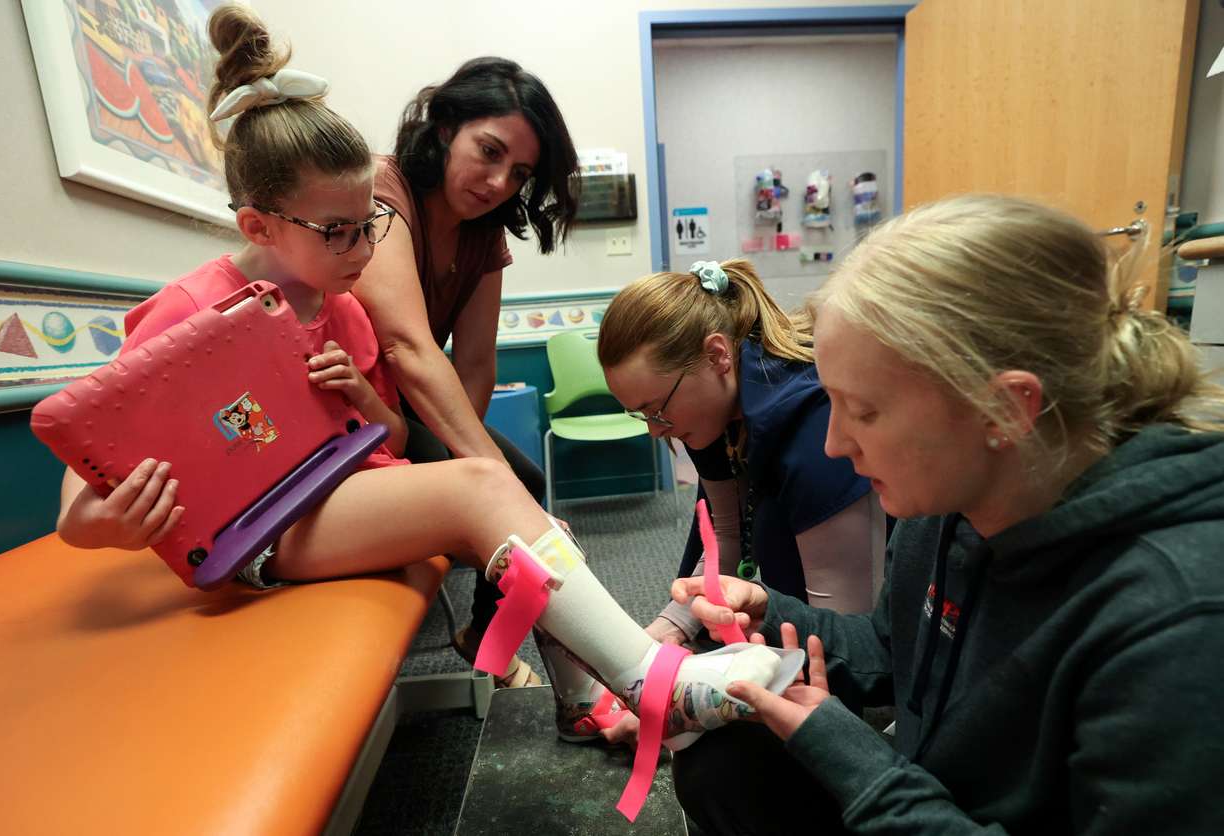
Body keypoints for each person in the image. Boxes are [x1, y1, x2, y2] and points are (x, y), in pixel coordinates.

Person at [53, 3, 792, 754]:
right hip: (258, 535)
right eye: (340, 231)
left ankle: (585, 696)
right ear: (259, 227)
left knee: (515, 508)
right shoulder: (190, 309)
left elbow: (394, 435)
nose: (364, 246)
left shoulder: (342, 311)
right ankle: (649, 680)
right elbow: (79, 494)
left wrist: (365, 400)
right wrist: (104, 523)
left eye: (368, 226)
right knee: (485, 489)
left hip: (332, 499)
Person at [667, 194, 1224, 834]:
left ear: (1006, 409)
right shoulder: (949, 504)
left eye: (865, 411)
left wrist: (855, 761)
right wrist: (772, 609)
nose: (835, 444)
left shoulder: (1177, 626)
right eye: (834, 404)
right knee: (726, 764)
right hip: (929, 787)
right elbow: (893, 647)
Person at [353, 57, 580, 687]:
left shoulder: (484, 233)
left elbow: (477, 361)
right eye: (489, 151)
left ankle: (483, 636)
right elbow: (405, 345)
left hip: (409, 408)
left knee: (525, 483)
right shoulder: (381, 189)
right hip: (345, 407)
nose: (499, 182)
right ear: (445, 123)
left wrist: (476, 466)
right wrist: (484, 478)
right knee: (512, 493)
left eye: (520, 173)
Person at [598, 258, 881, 638]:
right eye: (640, 415)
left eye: (657, 410)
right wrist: (668, 630)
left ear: (717, 356)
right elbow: (727, 535)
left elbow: (842, 617)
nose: (654, 430)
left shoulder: (812, 419)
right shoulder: (708, 408)